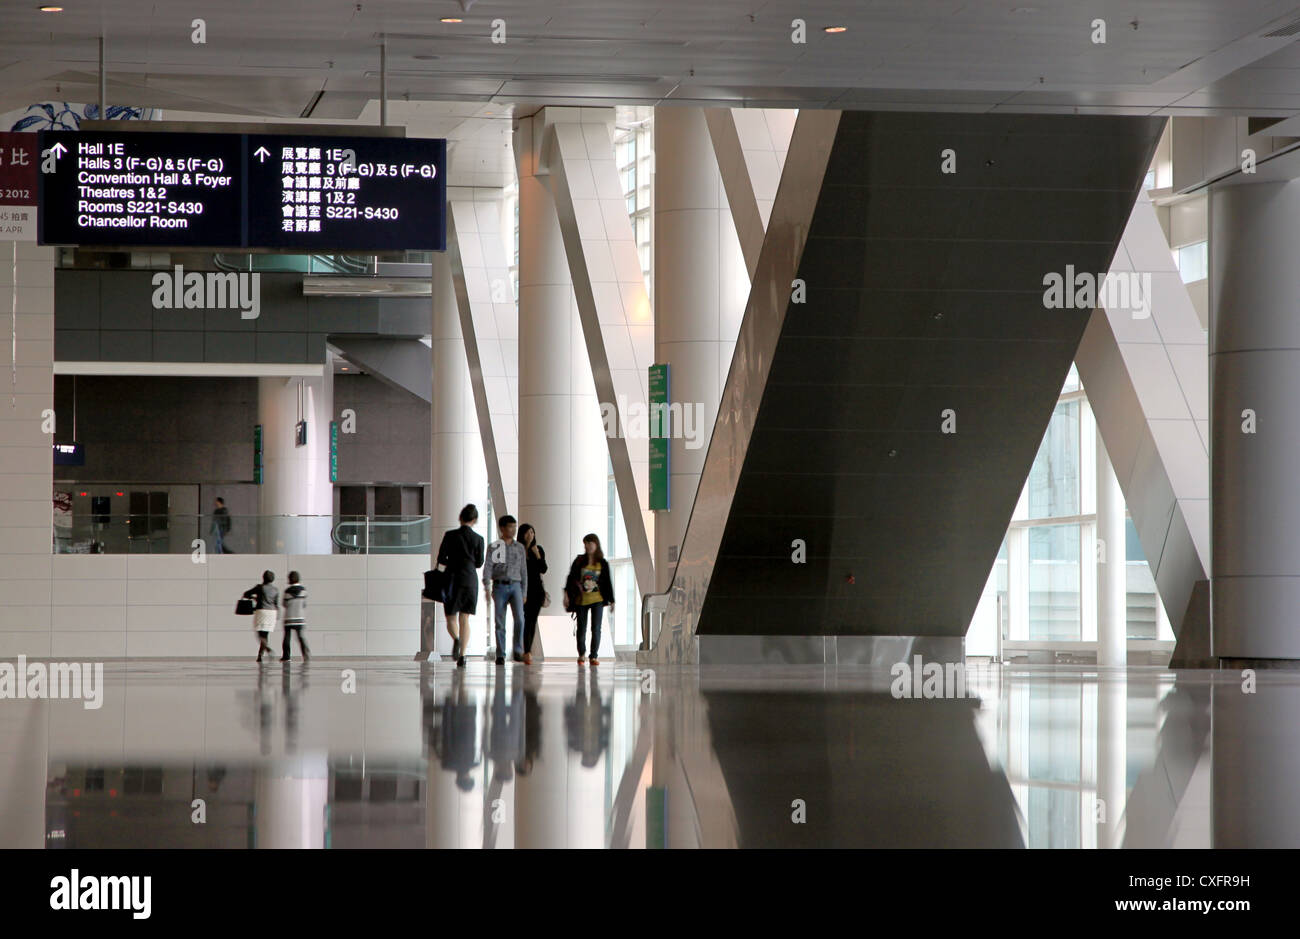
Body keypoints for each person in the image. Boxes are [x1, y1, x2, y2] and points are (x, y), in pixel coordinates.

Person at [436, 504, 485, 668]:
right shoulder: (479, 539)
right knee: (465, 618)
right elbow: (479, 563)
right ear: (475, 520)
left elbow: (442, 559)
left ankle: (456, 639)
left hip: (452, 578)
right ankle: (463, 655)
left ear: (460, 518)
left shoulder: (449, 535)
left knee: (451, 617)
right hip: (470, 579)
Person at [564, 533, 614, 666]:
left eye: (590, 543)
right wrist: (567, 595)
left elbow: (607, 582)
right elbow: (571, 578)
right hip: (581, 600)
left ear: (596, 544)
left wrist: (612, 600)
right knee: (581, 628)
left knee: (596, 628)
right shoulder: (580, 560)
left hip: (597, 600)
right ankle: (581, 654)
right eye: (585, 543)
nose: (587, 546)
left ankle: (593, 656)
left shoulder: (602, 563)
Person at [483, 514, 527, 666]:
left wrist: (524, 592)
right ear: (502, 528)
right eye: (510, 527)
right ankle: (500, 654)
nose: (513, 530)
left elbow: (523, 571)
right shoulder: (495, 546)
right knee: (500, 622)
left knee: (520, 619)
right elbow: (488, 566)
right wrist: (487, 587)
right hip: (500, 585)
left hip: (516, 586)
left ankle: (518, 650)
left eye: (515, 526)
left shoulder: (520, 547)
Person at [518, 523, 547, 665]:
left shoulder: (538, 549)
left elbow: (544, 569)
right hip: (522, 591)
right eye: (528, 532)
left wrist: (537, 555)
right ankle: (525, 650)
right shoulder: (517, 550)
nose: (531, 535)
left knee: (531, 621)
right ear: (522, 534)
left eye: (532, 532)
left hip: (536, 591)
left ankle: (527, 651)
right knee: (524, 620)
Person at [242, 570, 279, 663]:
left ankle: (268, 649)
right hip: (272, 613)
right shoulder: (275, 590)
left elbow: (246, 593)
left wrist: (254, 598)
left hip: (261, 611)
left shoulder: (259, 587)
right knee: (265, 635)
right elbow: (276, 603)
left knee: (259, 634)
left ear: (263, 578)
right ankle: (260, 656)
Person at [280, 570, 310, 662]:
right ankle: (305, 654)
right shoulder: (303, 591)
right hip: (300, 617)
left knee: (287, 637)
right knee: (300, 636)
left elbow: (284, 604)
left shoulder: (287, 591)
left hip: (289, 618)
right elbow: (304, 604)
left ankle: (286, 657)